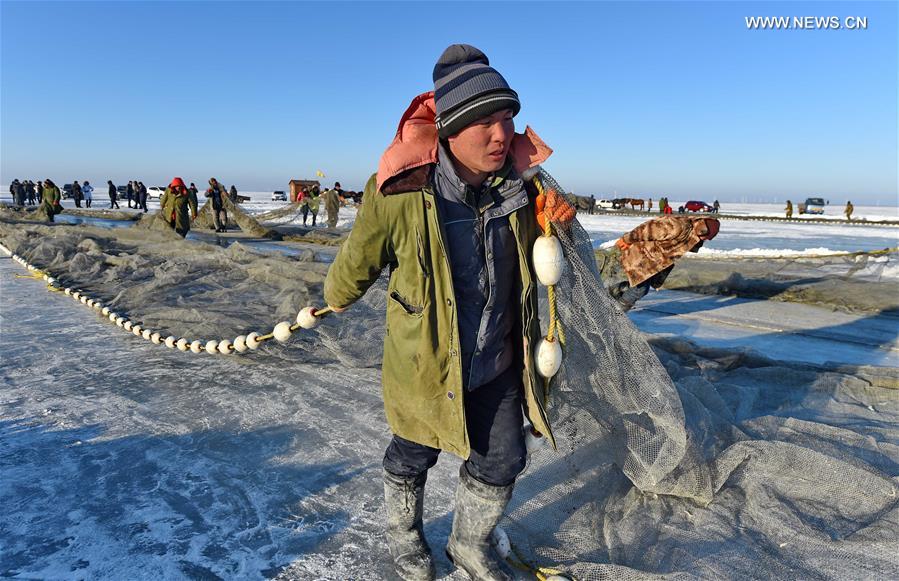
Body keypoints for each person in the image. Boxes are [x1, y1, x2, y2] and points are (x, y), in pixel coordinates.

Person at [323, 44, 575, 581]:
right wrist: (338, 294)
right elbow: (356, 264)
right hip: (426, 363)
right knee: (413, 454)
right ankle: (405, 535)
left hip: (498, 360)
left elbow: (554, 267)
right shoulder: (400, 193)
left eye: (507, 118)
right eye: (483, 121)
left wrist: (563, 227)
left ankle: (468, 543)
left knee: (504, 459)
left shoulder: (523, 191)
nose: (501, 135)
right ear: (450, 129)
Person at [601, 215, 720, 311]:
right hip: (639, 256)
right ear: (703, 229)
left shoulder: (691, 237)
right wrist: (626, 239)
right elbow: (648, 229)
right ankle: (613, 312)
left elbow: (668, 256)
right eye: (707, 236)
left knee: (637, 288)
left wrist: (658, 278)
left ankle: (609, 304)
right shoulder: (679, 226)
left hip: (648, 263)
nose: (705, 240)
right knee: (639, 289)